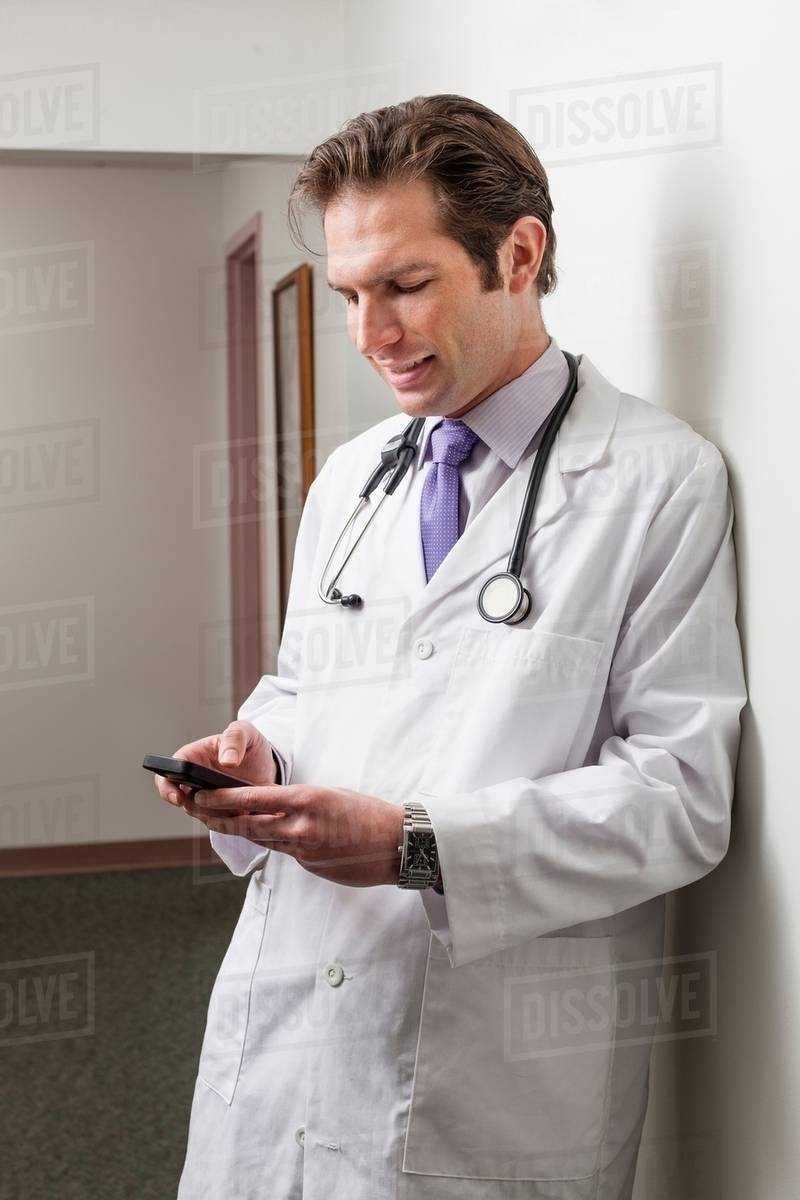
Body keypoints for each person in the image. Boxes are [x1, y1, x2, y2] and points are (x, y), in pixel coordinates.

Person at [155, 94, 747, 1200]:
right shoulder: (355, 478)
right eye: (348, 295)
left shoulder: (658, 482)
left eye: (404, 285)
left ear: (516, 255)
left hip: (491, 1077)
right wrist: (261, 759)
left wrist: (413, 846)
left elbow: (678, 796)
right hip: (287, 1024)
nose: (368, 333)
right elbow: (305, 682)